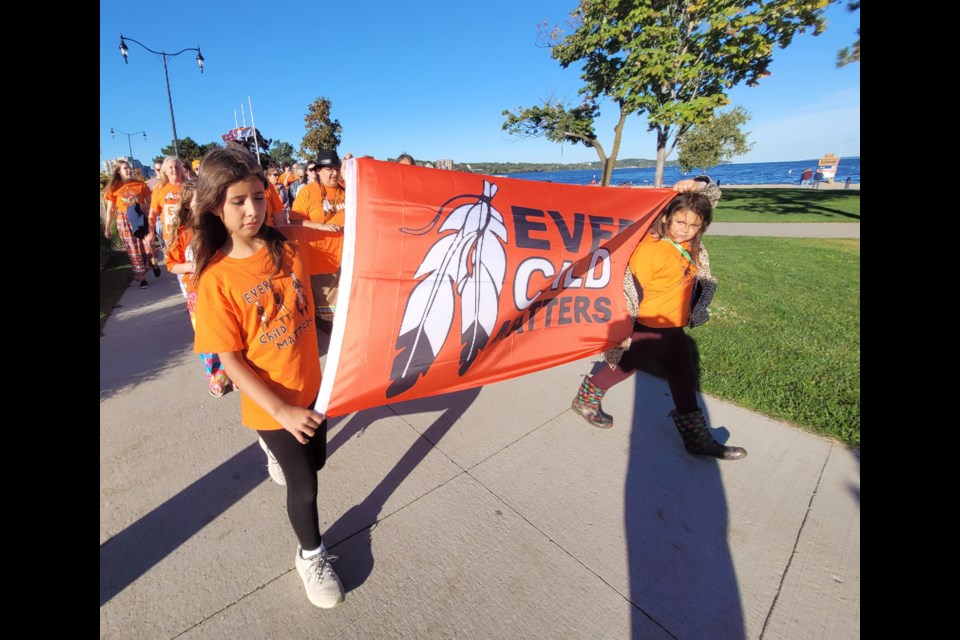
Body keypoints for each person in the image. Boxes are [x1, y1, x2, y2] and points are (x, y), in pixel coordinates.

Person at [191, 147, 345, 608]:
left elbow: (356, 246)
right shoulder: (216, 279)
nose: (253, 210)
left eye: (258, 197)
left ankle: (280, 454)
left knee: (316, 462)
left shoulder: (291, 241)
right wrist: (280, 411)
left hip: (314, 389)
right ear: (217, 205)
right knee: (306, 485)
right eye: (238, 201)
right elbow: (231, 361)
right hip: (270, 405)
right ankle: (311, 555)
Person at [570, 179, 747, 461]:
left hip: (673, 327)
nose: (686, 230)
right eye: (680, 222)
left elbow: (711, 194)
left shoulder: (688, 244)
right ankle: (586, 399)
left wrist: (697, 183)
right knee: (623, 367)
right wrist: (622, 326)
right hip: (650, 326)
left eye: (694, 225)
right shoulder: (651, 249)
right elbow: (626, 288)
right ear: (665, 217)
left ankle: (696, 438)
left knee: (683, 375)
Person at [164, 180, 234, 397]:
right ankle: (217, 376)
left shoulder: (218, 226)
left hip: (222, 287)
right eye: (198, 200)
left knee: (230, 330)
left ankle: (237, 372)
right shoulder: (182, 232)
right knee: (208, 337)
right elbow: (171, 264)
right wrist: (192, 266)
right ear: (187, 205)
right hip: (196, 292)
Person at [289, 150, 346, 329]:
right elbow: (295, 220)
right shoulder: (308, 192)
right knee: (327, 309)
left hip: (346, 254)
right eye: (329, 169)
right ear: (319, 171)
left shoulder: (348, 189)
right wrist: (321, 226)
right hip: (321, 257)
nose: (334, 173)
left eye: (336, 169)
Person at [103, 159, 159, 289]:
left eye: (129, 168)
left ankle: (153, 263)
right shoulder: (113, 188)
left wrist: (142, 208)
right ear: (118, 171)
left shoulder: (140, 184)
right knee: (133, 249)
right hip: (124, 220)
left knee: (147, 245)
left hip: (140, 217)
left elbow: (151, 203)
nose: (128, 170)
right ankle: (142, 278)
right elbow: (111, 209)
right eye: (125, 168)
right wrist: (107, 227)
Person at [149, 156, 188, 257]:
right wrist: (151, 232)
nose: (174, 170)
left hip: (189, 233)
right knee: (178, 266)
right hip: (170, 235)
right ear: (165, 171)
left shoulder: (189, 187)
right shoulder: (159, 189)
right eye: (170, 167)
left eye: (177, 167)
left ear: (181, 170)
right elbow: (153, 212)